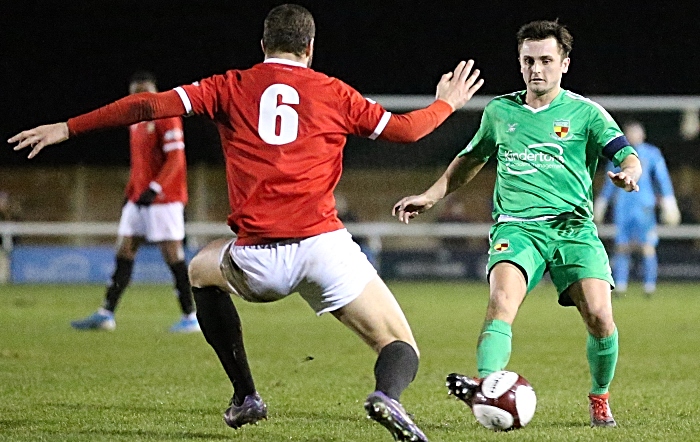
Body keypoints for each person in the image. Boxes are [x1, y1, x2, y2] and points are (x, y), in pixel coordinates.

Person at [9, 4, 484, 440]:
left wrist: (67, 128)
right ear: (311, 48)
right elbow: (407, 130)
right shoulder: (334, 92)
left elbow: (148, 106)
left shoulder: (229, 86)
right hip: (325, 248)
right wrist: (446, 101)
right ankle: (387, 397)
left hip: (257, 260)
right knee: (399, 344)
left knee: (199, 267)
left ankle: (246, 395)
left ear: (263, 45)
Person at [393, 20, 642, 428]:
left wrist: (629, 172)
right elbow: (470, 160)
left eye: (546, 60)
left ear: (564, 63)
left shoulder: (587, 113)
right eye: (528, 60)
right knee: (500, 304)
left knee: (599, 316)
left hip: (572, 229)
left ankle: (599, 397)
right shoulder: (500, 111)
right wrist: (432, 194)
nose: (536, 69)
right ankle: (489, 391)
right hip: (517, 228)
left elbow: (627, 155)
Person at [69, 71, 199, 333]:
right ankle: (106, 314)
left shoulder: (166, 115)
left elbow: (176, 160)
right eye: (136, 93)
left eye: (145, 91)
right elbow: (140, 164)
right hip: (137, 199)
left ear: (154, 92)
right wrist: (130, 191)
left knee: (173, 255)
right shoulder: (135, 122)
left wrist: (154, 188)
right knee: (124, 251)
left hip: (164, 199)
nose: (141, 97)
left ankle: (191, 316)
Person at [594, 120, 680, 297]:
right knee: (622, 246)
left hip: (644, 206)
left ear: (643, 134)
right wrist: (601, 203)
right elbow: (610, 182)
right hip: (623, 207)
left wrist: (669, 203)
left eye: (636, 132)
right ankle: (621, 285)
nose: (634, 136)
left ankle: (649, 286)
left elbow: (662, 179)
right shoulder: (620, 155)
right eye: (630, 133)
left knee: (647, 246)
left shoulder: (652, 154)